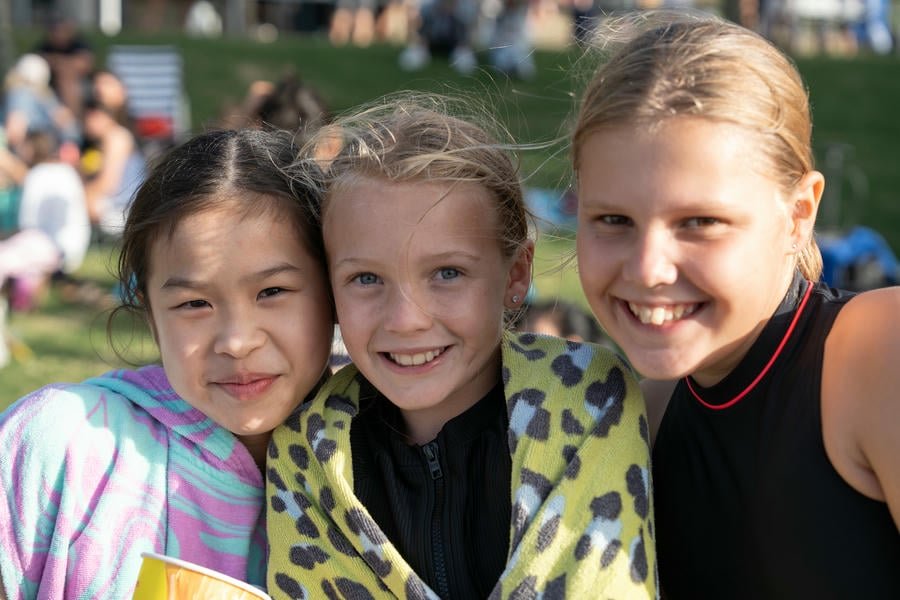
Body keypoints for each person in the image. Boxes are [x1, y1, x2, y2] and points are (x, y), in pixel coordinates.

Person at [266, 97, 657, 599]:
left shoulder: (588, 399)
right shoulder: (306, 448)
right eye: (366, 278)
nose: (406, 320)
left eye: (447, 273)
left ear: (516, 274)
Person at [571, 14, 900, 598]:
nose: (648, 268)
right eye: (613, 220)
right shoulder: (639, 415)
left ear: (799, 213)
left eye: (700, 222)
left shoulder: (877, 352)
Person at [0, 128, 336, 599]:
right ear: (151, 313)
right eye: (195, 304)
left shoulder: (377, 469)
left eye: (272, 292)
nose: (236, 342)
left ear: (334, 290)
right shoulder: (61, 444)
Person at [81, 98, 147, 237]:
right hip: (119, 206)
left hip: (126, 210)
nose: (86, 123)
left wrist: (80, 196)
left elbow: (109, 184)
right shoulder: (106, 140)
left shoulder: (117, 137)